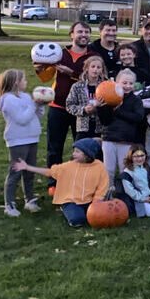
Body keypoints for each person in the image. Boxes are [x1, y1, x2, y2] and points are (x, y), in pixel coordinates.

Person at [36, 22, 91, 180]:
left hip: (81, 109)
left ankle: (80, 179)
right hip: (58, 106)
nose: (83, 35)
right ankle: (53, 181)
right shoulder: (59, 54)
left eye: (87, 32)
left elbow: (94, 78)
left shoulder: (92, 56)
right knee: (54, 147)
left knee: (82, 147)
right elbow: (45, 77)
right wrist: (39, 67)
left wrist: (71, 73)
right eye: (80, 31)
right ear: (72, 34)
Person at [13, 138, 109, 227]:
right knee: (78, 220)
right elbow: (49, 172)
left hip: (90, 200)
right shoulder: (68, 166)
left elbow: (102, 185)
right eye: (74, 151)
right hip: (71, 201)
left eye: (77, 152)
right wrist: (27, 167)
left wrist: (97, 200)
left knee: (96, 218)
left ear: (87, 155)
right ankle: (67, 209)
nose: (74, 154)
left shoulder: (99, 167)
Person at [0, 68, 45, 217]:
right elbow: (22, 119)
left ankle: (29, 199)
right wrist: (33, 105)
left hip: (32, 137)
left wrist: (40, 105)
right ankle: (9, 204)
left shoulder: (25, 96)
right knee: (16, 171)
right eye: (24, 79)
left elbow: (36, 115)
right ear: (16, 82)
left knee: (29, 170)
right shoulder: (7, 99)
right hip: (18, 140)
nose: (26, 82)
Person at [96, 69, 146, 182]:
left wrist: (118, 111)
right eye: (124, 83)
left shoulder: (136, 100)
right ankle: (107, 194)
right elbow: (105, 121)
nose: (127, 86)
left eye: (131, 83)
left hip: (126, 140)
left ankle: (125, 195)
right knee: (108, 170)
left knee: (125, 169)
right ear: (117, 83)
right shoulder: (109, 97)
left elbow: (138, 117)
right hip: (109, 139)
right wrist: (101, 108)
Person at [64, 54, 105, 139]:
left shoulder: (105, 87)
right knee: (81, 150)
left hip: (100, 128)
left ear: (102, 70)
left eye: (98, 67)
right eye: (93, 66)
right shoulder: (77, 86)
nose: (95, 70)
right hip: (83, 128)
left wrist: (99, 107)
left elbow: (110, 105)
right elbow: (69, 105)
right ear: (87, 68)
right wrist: (83, 110)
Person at [120, 145, 150, 218]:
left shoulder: (147, 168)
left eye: (142, 155)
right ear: (131, 157)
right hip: (138, 201)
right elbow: (130, 191)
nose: (139, 159)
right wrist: (143, 199)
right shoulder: (127, 173)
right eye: (136, 156)